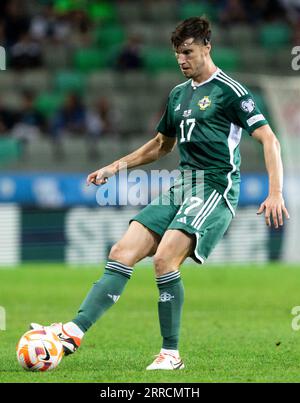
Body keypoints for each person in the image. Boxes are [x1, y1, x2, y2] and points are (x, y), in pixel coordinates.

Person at [31, 16, 289, 370]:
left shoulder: (230, 90)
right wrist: (113, 167)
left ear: (206, 47)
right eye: (177, 54)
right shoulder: (178, 95)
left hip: (215, 186)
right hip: (182, 185)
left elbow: (269, 139)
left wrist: (276, 192)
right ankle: (73, 332)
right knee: (122, 251)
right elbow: (160, 146)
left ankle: (171, 354)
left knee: (165, 258)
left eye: (188, 52)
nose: (182, 60)